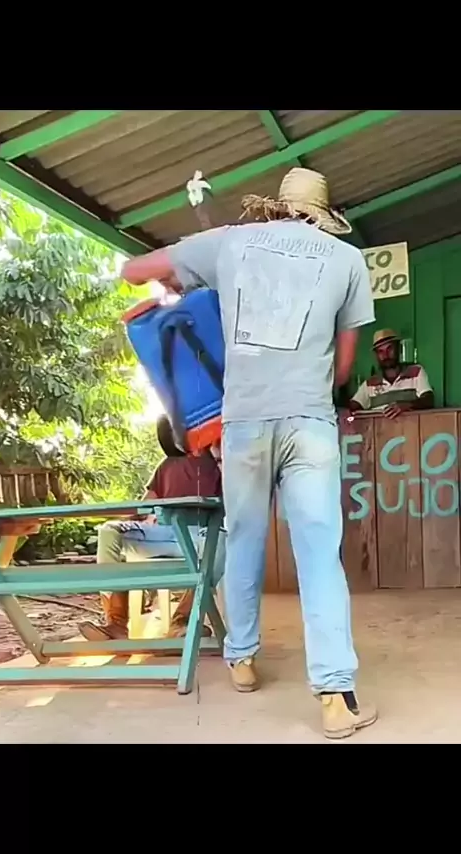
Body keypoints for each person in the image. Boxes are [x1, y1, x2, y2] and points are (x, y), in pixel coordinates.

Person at [121, 167, 377, 740]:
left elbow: (133, 271)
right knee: (320, 556)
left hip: (244, 423)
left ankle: (241, 659)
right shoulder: (347, 260)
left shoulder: (230, 243)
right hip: (309, 422)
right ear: (323, 215)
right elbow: (343, 369)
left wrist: (185, 285)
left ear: (278, 207)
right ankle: (335, 697)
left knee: (244, 539)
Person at [78, 414, 225, 642]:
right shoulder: (166, 465)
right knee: (108, 531)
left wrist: (219, 457)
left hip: (199, 537)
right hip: (162, 534)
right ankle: (115, 623)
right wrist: (120, 517)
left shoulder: (219, 464)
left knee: (222, 544)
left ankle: (182, 622)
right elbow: (144, 505)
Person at [349, 328, 434, 418]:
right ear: (376, 356)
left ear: (398, 349)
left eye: (389, 349)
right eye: (380, 351)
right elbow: (352, 407)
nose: (385, 355)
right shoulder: (370, 383)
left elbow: (428, 400)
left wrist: (407, 405)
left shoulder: (416, 372)